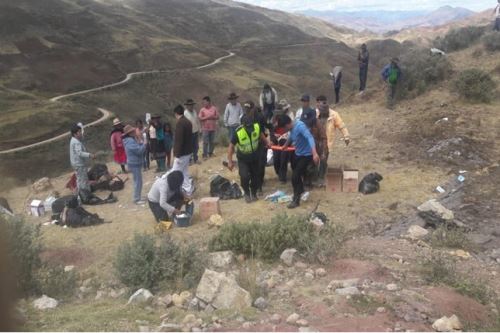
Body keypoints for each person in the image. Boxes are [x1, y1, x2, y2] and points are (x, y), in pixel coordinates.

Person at [227, 104, 270, 203]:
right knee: (244, 176)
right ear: (243, 126)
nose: (251, 130)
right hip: (243, 159)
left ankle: (253, 193)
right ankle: (247, 193)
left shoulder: (256, 127)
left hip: (255, 157)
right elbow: (231, 147)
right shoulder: (238, 132)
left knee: (256, 176)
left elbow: (261, 136)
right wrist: (230, 161)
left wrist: (267, 143)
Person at [282, 113, 319, 209]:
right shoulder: (291, 129)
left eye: (284, 128)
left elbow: (310, 137)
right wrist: (286, 144)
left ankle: (296, 200)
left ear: (287, 124)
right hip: (298, 153)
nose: (284, 131)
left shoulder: (300, 126)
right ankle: (301, 189)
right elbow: (291, 136)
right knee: (296, 172)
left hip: (306, 155)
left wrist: (314, 153)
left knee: (295, 177)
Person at [316, 95, 350, 186]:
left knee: (323, 159)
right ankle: (314, 176)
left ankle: (320, 178)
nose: (323, 114)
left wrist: (346, 137)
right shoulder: (315, 113)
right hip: (315, 140)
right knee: (314, 159)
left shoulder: (334, 115)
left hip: (326, 142)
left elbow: (342, 126)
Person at [241, 101, 270, 195]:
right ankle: (253, 185)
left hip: (260, 144)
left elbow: (265, 129)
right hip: (249, 145)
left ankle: (259, 186)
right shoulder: (243, 118)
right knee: (251, 167)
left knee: (260, 165)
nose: (247, 111)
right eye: (246, 109)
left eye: (249, 109)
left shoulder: (260, 117)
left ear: (253, 108)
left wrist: (267, 141)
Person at [172, 104, 194, 196]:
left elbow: (179, 140)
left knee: (175, 173)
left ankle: (173, 191)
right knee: (184, 172)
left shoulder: (180, 123)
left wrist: (177, 153)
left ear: (176, 113)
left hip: (182, 153)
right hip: (188, 151)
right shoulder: (188, 122)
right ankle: (188, 190)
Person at [123, 124, 146, 204]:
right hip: (134, 163)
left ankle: (138, 196)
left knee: (138, 181)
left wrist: (140, 139)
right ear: (129, 133)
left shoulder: (131, 140)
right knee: (138, 181)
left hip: (134, 163)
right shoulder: (130, 141)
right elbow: (139, 151)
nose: (134, 132)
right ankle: (136, 199)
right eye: (133, 131)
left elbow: (138, 147)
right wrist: (144, 143)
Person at [69, 124, 95, 193]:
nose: (81, 133)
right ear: (75, 134)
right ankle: (86, 194)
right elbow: (79, 153)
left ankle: (80, 193)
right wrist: (89, 155)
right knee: (83, 179)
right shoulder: (76, 142)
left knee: (79, 179)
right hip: (79, 164)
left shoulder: (73, 140)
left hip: (76, 163)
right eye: (79, 132)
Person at [183, 99, 201, 164]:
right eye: (189, 105)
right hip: (189, 133)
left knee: (196, 146)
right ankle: (189, 160)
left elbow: (197, 121)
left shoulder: (194, 111)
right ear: (187, 106)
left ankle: (196, 159)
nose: (191, 106)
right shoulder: (185, 113)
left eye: (192, 105)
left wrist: (200, 128)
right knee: (189, 147)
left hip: (195, 131)